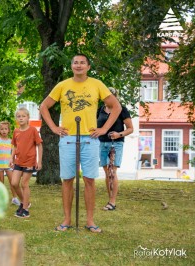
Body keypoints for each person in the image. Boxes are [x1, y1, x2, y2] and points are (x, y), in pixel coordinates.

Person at [39, 54, 121, 233]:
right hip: (68, 138)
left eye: (82, 62)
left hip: (90, 139)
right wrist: (54, 127)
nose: (78, 65)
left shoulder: (97, 84)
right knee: (67, 179)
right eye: (75, 62)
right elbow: (44, 106)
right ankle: (67, 219)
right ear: (71, 66)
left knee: (89, 180)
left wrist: (104, 129)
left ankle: (90, 221)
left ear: (88, 67)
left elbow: (116, 107)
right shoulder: (62, 85)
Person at [97, 87, 133, 211]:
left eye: (109, 96)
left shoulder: (122, 110)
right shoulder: (100, 110)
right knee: (107, 173)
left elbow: (130, 128)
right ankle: (110, 199)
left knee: (112, 172)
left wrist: (119, 134)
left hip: (116, 143)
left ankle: (113, 202)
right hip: (102, 143)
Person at [10, 107, 43, 218]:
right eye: (19, 116)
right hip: (18, 161)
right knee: (14, 183)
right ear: (16, 119)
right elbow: (14, 145)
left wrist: (39, 160)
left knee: (24, 184)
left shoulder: (33, 130)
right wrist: (11, 157)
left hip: (29, 161)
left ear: (28, 117)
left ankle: (25, 210)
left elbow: (39, 145)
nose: (21, 118)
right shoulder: (16, 131)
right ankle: (24, 202)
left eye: (23, 116)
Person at [0, 121, 20, 206]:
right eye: (2, 129)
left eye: (5, 129)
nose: (4, 131)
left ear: (8, 130)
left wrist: (14, 163)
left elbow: (13, 153)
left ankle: (15, 198)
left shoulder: (11, 142)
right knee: (1, 182)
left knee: (12, 182)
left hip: (9, 165)